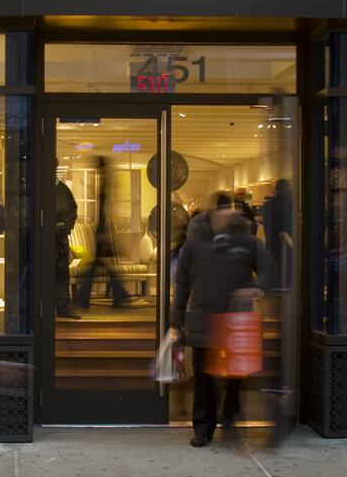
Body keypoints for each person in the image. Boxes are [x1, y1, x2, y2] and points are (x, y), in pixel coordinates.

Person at [170, 199, 274, 447]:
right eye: (225, 209)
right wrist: (176, 320)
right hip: (203, 319)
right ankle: (204, 428)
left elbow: (268, 270)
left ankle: (229, 421)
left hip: (236, 322)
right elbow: (182, 284)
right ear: (214, 212)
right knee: (204, 378)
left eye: (233, 210)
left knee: (234, 377)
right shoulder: (196, 242)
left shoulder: (248, 241)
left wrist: (257, 289)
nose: (230, 213)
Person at [73, 157, 147, 312]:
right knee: (103, 269)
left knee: (99, 269)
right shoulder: (105, 189)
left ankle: (85, 299)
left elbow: (102, 209)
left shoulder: (104, 189)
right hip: (103, 231)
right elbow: (103, 209)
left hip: (102, 230)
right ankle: (118, 297)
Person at [52, 177, 79, 318]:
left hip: (60, 239)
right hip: (43, 239)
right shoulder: (38, 185)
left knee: (62, 274)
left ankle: (63, 309)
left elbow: (73, 211)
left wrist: (65, 226)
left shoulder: (63, 189)